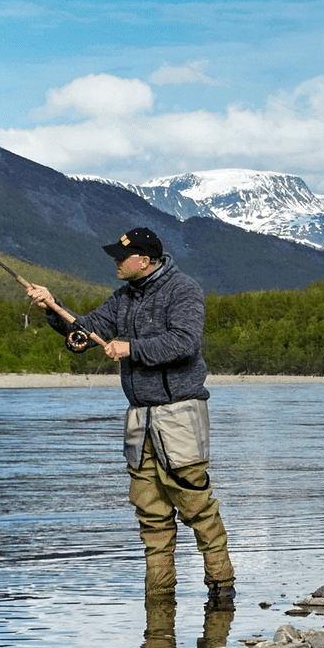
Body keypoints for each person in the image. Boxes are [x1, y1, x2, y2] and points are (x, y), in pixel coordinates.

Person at [25, 227, 236, 604]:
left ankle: (222, 591)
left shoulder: (183, 290)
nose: (116, 262)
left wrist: (130, 348)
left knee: (198, 508)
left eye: (122, 257)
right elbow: (87, 330)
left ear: (146, 259)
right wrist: (52, 307)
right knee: (150, 516)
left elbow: (185, 342)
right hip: (140, 421)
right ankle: (159, 602)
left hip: (180, 415)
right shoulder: (124, 297)